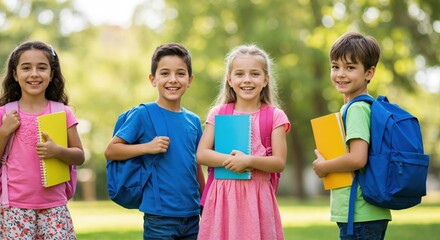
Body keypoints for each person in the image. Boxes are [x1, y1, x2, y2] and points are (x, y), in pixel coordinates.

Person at [104, 43, 205, 240]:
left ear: (190, 80)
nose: (173, 80)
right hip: (160, 218)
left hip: (192, 215)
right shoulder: (143, 114)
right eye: (165, 73)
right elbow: (111, 150)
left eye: (180, 74)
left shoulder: (193, 121)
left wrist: (203, 205)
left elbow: (196, 166)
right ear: (153, 79)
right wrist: (147, 147)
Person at [197, 44, 290, 240]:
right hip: (223, 198)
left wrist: (248, 161)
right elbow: (202, 154)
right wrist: (231, 161)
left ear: (265, 80)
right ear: (229, 80)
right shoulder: (218, 113)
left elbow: (279, 162)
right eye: (239, 74)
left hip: (258, 199)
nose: (247, 80)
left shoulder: (275, 116)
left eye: (254, 74)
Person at [0, 41, 85, 239]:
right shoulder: (5, 114)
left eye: (42, 67)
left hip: (54, 206)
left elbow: (79, 156)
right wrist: (4, 132)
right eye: (26, 68)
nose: (34, 74)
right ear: (15, 74)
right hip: (14, 207)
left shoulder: (62, 112)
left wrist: (58, 151)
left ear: (51, 74)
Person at [312, 32, 392, 240]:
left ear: (369, 73)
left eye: (350, 67)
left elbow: (358, 158)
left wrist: (324, 167)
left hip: (360, 214)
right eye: (335, 66)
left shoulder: (356, 109)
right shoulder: (360, 106)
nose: (340, 74)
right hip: (364, 213)